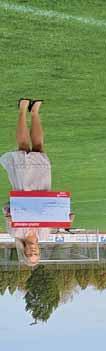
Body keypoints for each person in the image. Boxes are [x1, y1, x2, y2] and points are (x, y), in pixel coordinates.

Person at [1, 98, 55, 266]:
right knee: (39, 149)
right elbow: (52, 214)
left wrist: (9, 213)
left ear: (23, 251)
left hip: (24, 190)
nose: (33, 251)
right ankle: (35, 113)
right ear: (39, 250)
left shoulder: (15, 233)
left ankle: (23, 110)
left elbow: (6, 208)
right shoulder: (45, 235)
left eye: (30, 254)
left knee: (24, 148)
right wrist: (66, 217)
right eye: (36, 253)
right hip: (42, 189)